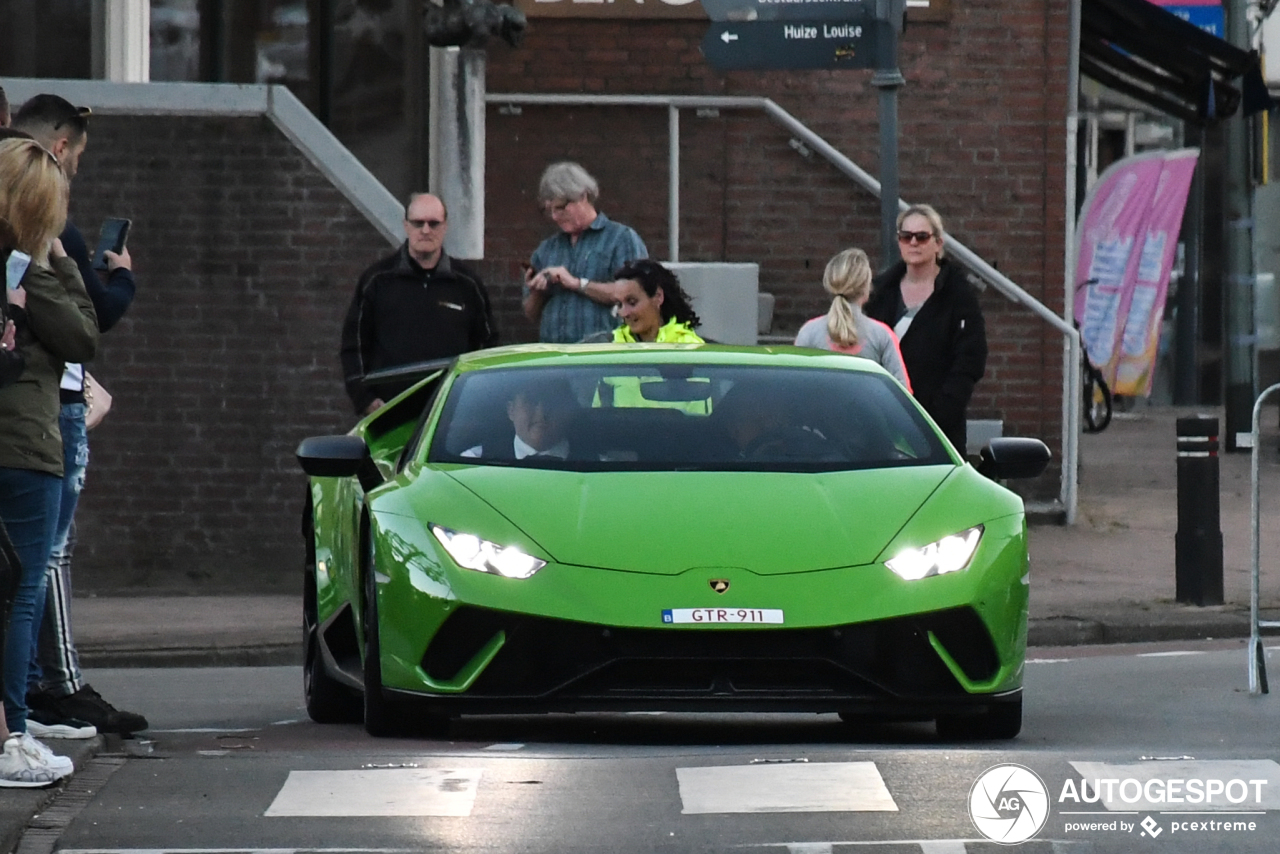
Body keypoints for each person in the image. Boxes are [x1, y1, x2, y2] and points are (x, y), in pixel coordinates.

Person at [11, 94, 147, 738]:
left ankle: (29, 702)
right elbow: (84, 326)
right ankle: (45, 694)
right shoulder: (41, 228)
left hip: (40, 413)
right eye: (76, 156)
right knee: (39, 564)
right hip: (38, 424)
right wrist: (114, 279)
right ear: (57, 149)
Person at [0, 137, 98, 779]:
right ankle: (11, 734)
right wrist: (58, 258)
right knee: (21, 595)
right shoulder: (27, 267)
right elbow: (84, 331)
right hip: (27, 447)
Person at [341, 192, 497, 416]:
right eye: (418, 223)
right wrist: (366, 400)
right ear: (406, 226)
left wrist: (475, 399)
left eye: (434, 223)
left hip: (451, 414)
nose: (426, 230)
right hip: (390, 412)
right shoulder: (376, 281)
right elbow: (353, 347)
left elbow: (487, 347)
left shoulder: (467, 285)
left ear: (445, 227)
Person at [865, 204, 987, 454]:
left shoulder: (959, 295)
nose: (913, 243)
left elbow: (971, 358)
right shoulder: (879, 293)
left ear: (938, 243)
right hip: (881, 423)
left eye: (922, 237)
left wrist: (942, 411)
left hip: (938, 425)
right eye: (906, 236)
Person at [523, 162, 648, 343]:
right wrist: (538, 291)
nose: (555, 217)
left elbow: (636, 296)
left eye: (560, 207)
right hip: (553, 358)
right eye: (549, 211)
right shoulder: (547, 249)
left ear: (583, 196)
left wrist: (576, 283)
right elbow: (530, 314)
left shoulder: (621, 239)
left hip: (604, 356)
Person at [794, 248, 911, 391]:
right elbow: (902, 393)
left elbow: (796, 389)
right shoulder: (881, 335)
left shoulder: (809, 332)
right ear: (866, 287)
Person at [463, 377, 578, 460]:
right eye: (530, 401)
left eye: (552, 402)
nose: (541, 413)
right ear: (511, 410)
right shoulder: (473, 461)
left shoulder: (594, 461)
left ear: (569, 411)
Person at [611, 259, 704, 344]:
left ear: (658, 296)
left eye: (632, 302)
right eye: (619, 305)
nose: (624, 313)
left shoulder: (689, 346)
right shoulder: (610, 345)